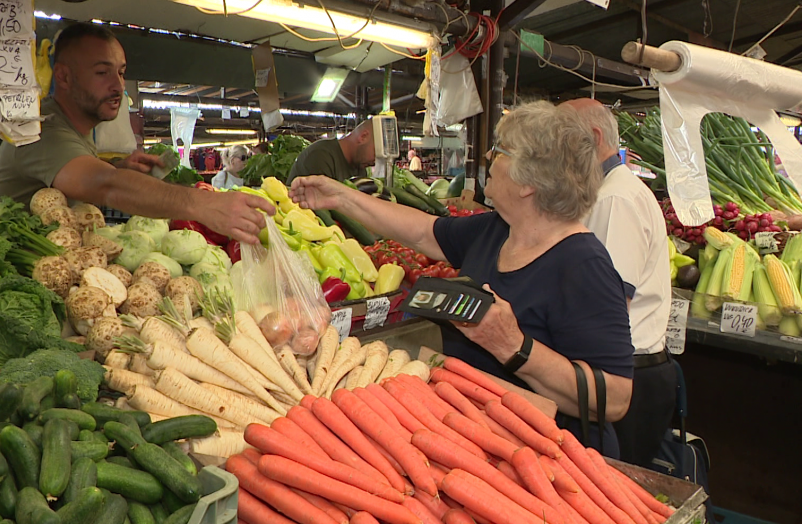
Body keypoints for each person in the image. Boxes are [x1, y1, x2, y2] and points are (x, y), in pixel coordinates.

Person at [290, 101, 634, 456]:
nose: (488, 156)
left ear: (528, 181)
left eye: (500, 151)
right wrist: (341, 196)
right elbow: (423, 232)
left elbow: (617, 398)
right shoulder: (498, 229)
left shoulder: (583, 264)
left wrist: (515, 346)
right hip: (479, 440)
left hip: (549, 460)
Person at [0, 23, 272, 243]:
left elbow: (90, 179)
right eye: (102, 72)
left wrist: (118, 167)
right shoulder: (43, 130)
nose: (118, 86)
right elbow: (107, 186)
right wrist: (203, 204)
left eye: (121, 72)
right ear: (65, 77)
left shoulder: (75, 131)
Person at [564, 98, 677, 468]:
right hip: (624, 373)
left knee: (617, 495)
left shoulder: (616, 199)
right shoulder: (609, 193)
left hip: (627, 378)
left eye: (559, 138)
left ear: (594, 138)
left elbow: (609, 303)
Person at [285, 119, 375, 185]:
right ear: (363, 137)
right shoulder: (320, 155)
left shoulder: (360, 167)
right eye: (375, 151)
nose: (375, 161)